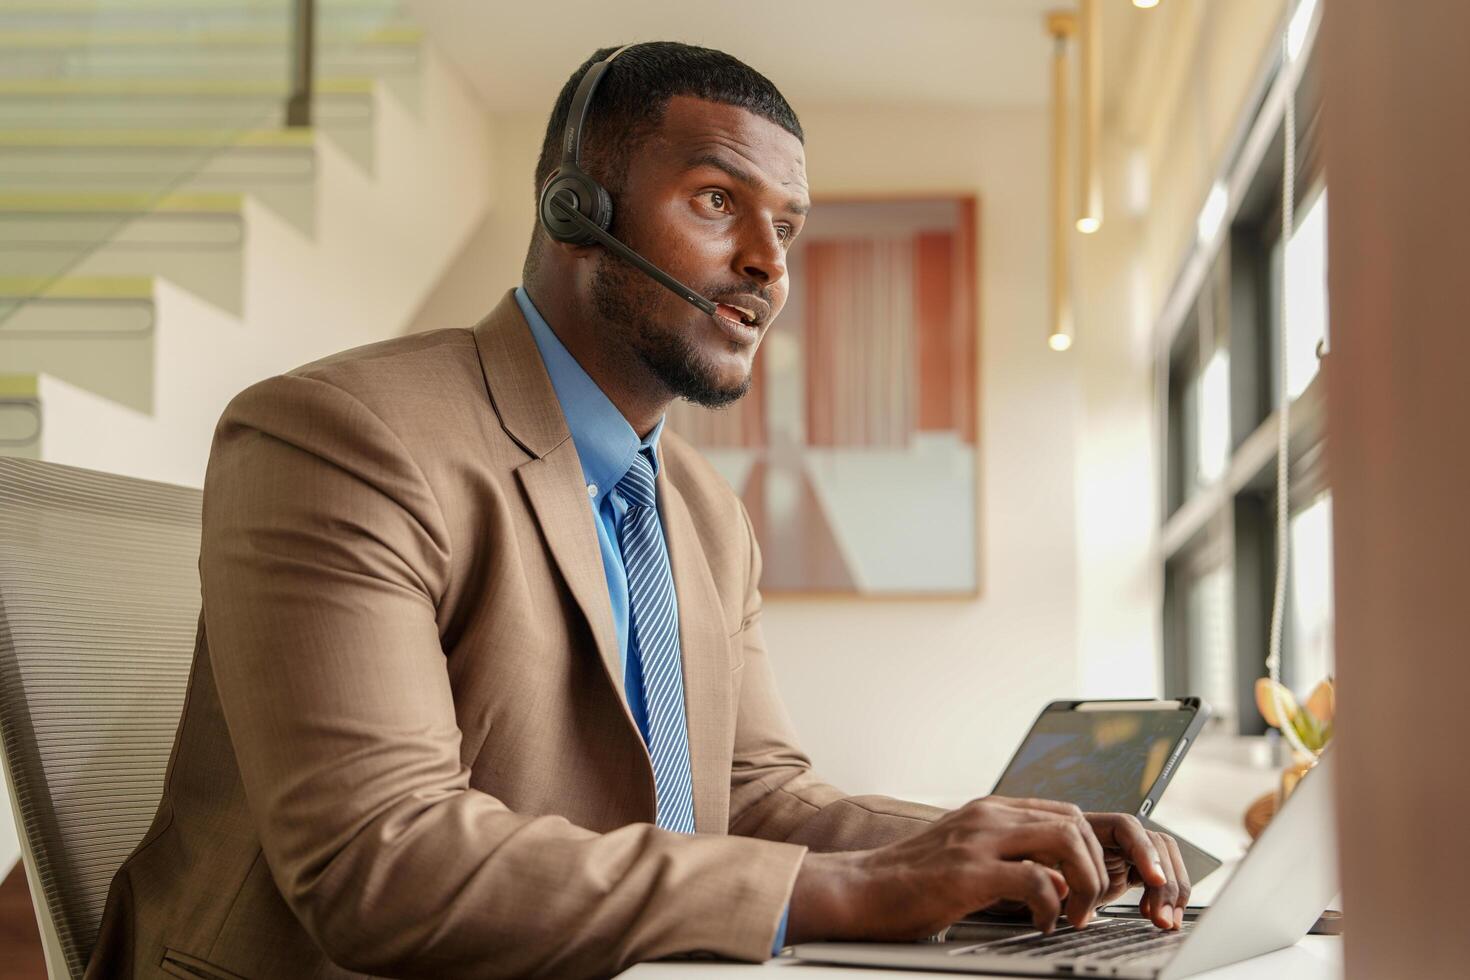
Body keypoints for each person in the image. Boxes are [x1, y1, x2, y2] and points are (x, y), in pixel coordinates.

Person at [86, 41, 1189, 980]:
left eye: (788, 230)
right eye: (719, 201)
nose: (766, 264)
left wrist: (992, 849)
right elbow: (385, 856)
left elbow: (756, 792)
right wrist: (846, 889)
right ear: (577, 210)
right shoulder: (344, 435)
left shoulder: (708, 515)